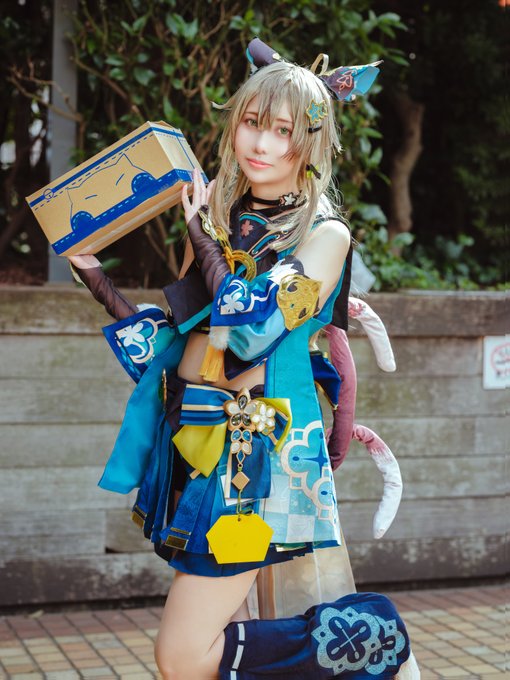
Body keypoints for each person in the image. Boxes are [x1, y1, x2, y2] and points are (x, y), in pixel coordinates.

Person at [69, 38, 416, 680]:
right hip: (195, 444)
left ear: (311, 142)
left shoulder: (325, 234)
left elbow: (252, 332)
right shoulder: (222, 219)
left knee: (182, 655)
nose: (261, 143)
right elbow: (183, 349)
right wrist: (100, 283)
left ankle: (368, 644)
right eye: (252, 122)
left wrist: (204, 238)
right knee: (210, 640)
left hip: (259, 461)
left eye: (283, 131)